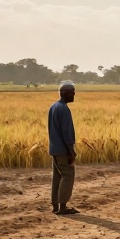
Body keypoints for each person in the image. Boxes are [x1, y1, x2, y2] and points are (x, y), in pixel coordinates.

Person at [48, 81, 79, 215]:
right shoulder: (64, 109)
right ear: (65, 93)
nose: (74, 95)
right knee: (68, 175)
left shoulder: (53, 107)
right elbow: (67, 133)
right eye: (72, 93)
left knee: (57, 176)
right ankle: (63, 207)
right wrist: (71, 151)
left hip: (54, 148)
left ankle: (55, 205)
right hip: (62, 150)